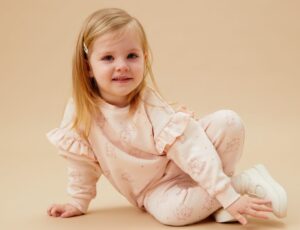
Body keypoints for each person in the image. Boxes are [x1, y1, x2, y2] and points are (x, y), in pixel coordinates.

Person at [46, 8, 287, 226]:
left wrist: (225, 194)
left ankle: (220, 199)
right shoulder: (80, 111)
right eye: (108, 58)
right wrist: (78, 202)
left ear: (145, 58)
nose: (122, 66)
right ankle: (241, 183)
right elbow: (81, 164)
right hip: (155, 190)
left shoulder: (149, 104)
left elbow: (191, 149)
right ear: (88, 66)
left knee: (229, 122)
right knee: (173, 215)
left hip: (185, 163)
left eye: (131, 56)